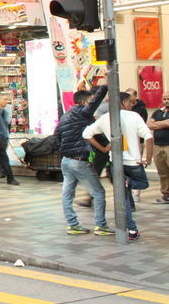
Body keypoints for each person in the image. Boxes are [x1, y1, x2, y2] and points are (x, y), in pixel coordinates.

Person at [84, 92, 153, 241]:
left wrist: (103, 149)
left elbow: (86, 134)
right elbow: (148, 136)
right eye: (130, 102)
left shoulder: (106, 118)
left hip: (117, 164)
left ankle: (132, 229)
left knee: (125, 198)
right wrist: (147, 158)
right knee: (143, 184)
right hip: (133, 162)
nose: (132, 105)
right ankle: (132, 228)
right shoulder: (134, 116)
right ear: (122, 102)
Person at [54, 85, 111, 235]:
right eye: (90, 101)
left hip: (66, 160)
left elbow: (56, 136)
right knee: (98, 192)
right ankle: (101, 226)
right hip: (79, 160)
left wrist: (63, 150)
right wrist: (105, 86)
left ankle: (73, 224)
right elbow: (95, 101)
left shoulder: (65, 116)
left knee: (67, 195)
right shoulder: (83, 113)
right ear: (85, 102)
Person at [146, 94, 169, 204]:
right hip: (158, 146)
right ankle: (166, 195)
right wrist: (163, 124)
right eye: (164, 99)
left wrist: (156, 124)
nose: (166, 101)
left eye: (168, 99)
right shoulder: (157, 112)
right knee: (162, 172)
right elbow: (149, 125)